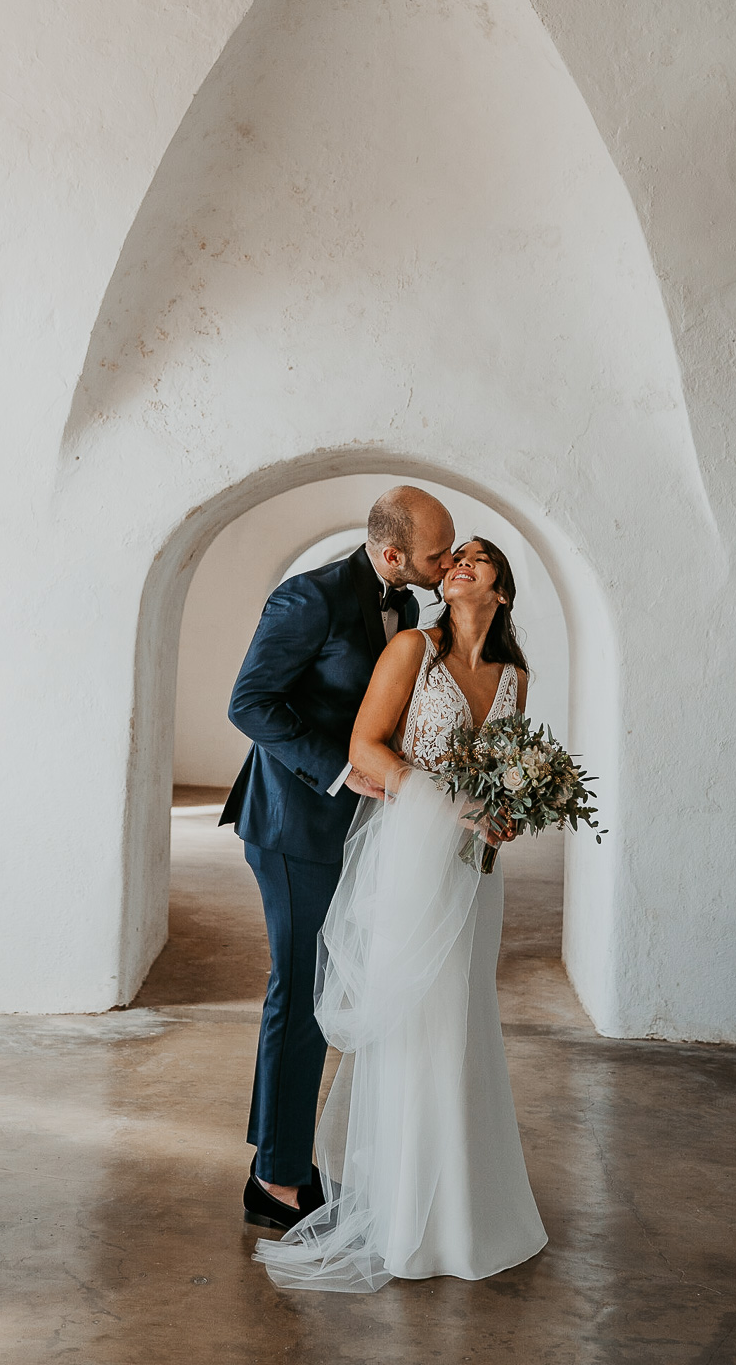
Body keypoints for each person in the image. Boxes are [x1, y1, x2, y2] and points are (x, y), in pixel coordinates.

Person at [254, 537, 549, 1292]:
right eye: (454, 556)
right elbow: (366, 747)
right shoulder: (413, 649)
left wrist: (507, 812)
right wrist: (452, 803)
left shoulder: (515, 676)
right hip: (409, 858)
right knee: (418, 1018)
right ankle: (401, 1209)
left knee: (465, 1018)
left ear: (503, 591)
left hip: (474, 873)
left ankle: (460, 1204)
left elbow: (505, 771)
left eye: (479, 559)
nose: (459, 563)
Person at [222, 486, 457, 1229]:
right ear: (392, 555)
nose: (447, 564)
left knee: (322, 992)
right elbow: (250, 704)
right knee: (302, 994)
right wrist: (340, 769)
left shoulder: (410, 607)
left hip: (350, 830)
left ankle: (279, 1160)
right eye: (436, 554)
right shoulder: (308, 599)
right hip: (293, 824)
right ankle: (279, 1180)